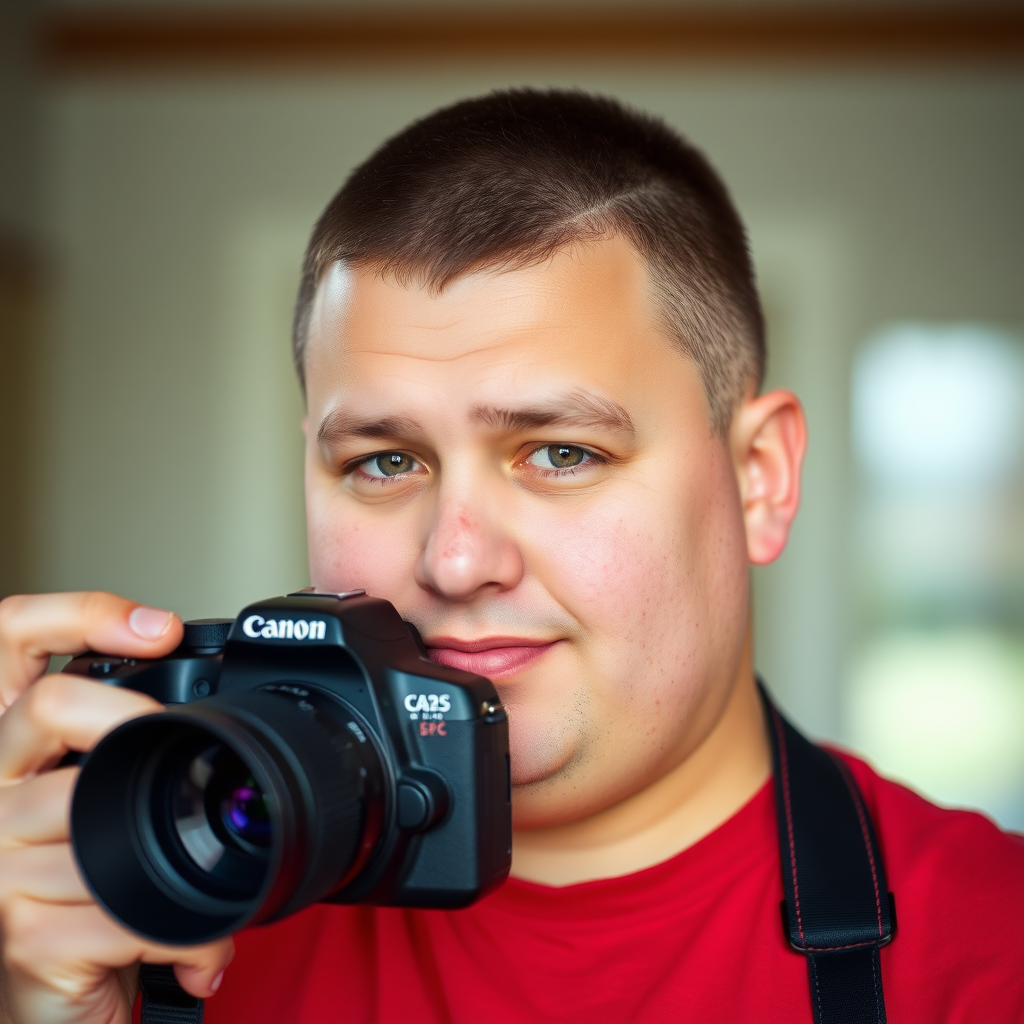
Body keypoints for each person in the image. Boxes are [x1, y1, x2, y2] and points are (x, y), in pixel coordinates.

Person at [0, 89, 1021, 1024]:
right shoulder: (167, 895)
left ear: (759, 477)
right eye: (386, 460)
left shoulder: (991, 951)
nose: (455, 560)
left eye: (561, 452)